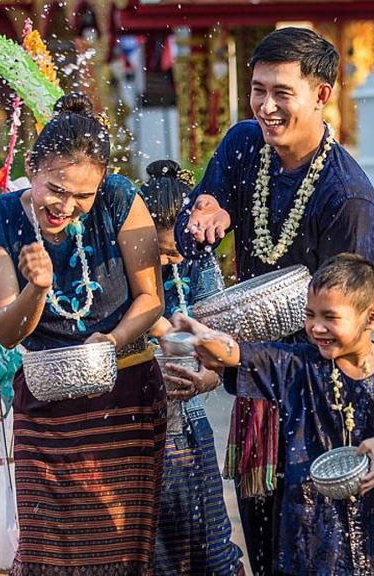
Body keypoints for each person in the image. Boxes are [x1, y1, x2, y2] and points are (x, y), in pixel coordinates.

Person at [174, 27, 374, 574]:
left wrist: (231, 366)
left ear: (322, 94)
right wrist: (205, 213)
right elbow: (190, 221)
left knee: (322, 553)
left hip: (321, 402)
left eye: (282, 92)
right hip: (256, 402)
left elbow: (344, 333)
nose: (265, 106)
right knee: (265, 550)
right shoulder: (245, 145)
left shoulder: (349, 197)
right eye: (257, 89)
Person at [0, 93, 164, 574]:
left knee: (121, 547)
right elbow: (5, 330)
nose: (67, 207)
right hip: (46, 405)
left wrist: (113, 341)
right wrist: (37, 290)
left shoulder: (121, 198)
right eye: (56, 189)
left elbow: (151, 299)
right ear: (33, 168)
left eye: (83, 196)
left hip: (125, 394)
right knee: (47, 549)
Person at [166, 254, 374, 575]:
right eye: (310, 315)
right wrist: (204, 338)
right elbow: (236, 354)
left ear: (372, 318)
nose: (316, 327)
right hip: (315, 536)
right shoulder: (296, 364)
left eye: (330, 317)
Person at [139, 160, 244, 575]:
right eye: (163, 249)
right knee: (154, 547)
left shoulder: (198, 262)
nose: (173, 256)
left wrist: (208, 376)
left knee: (207, 540)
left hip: (190, 419)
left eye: (178, 246)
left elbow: (222, 339)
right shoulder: (125, 265)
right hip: (138, 422)